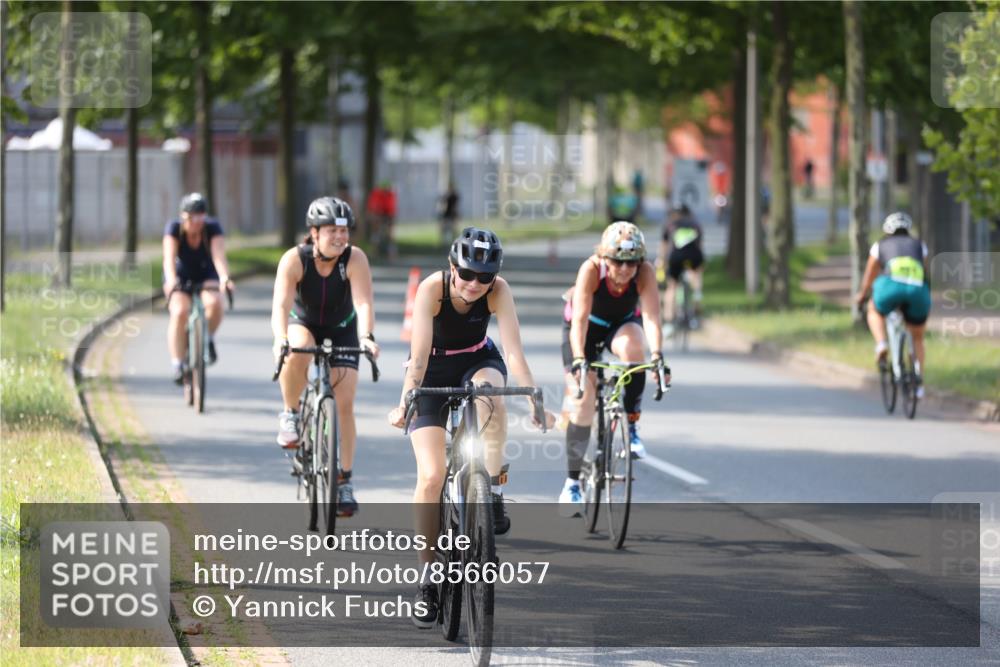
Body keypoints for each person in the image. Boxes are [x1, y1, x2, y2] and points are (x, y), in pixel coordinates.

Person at [386, 227, 553, 627]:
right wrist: (406, 398)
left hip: (478, 361)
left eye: (485, 276)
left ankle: (490, 487)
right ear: (451, 266)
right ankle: (428, 578)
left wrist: (533, 397)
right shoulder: (431, 290)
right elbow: (420, 358)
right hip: (431, 368)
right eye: (467, 274)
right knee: (431, 475)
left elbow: (513, 351)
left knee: (490, 395)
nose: (475, 284)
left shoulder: (498, 290)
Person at [271, 196, 379, 516]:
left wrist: (367, 337)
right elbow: (280, 305)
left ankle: (343, 479)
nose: (340, 238)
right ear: (314, 233)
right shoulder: (294, 259)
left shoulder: (354, 259)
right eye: (332, 230)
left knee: (344, 403)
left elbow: (363, 303)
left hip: (343, 329)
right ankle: (291, 413)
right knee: (297, 347)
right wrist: (280, 338)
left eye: (344, 231)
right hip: (303, 323)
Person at [558, 221, 667, 517]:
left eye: (632, 262)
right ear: (605, 258)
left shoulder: (644, 273)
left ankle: (631, 426)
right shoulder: (591, 270)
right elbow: (579, 320)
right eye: (618, 261)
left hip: (619, 326)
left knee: (635, 350)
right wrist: (580, 359)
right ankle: (572, 483)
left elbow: (653, 318)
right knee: (583, 401)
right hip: (583, 330)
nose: (624, 269)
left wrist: (657, 355)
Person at [854, 211, 931, 398]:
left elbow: (870, 273)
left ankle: (881, 344)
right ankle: (918, 379)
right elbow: (926, 271)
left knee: (874, 310)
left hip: (890, 287)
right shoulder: (920, 245)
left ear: (887, 230)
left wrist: (862, 295)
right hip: (917, 290)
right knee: (918, 336)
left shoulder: (880, 245)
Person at [162, 193, 233, 384]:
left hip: (205, 273)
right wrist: (171, 280)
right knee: (179, 311)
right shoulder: (174, 229)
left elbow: (218, 255)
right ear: (184, 216)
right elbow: (168, 259)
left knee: (216, 303)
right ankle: (177, 363)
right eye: (194, 217)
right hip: (181, 275)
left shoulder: (212, 228)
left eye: (202, 216)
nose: (198, 221)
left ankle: (206, 337)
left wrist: (225, 277)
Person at [657, 204, 705, 333]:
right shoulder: (695, 224)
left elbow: (664, 246)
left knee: (672, 286)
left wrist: (661, 261)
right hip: (694, 256)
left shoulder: (669, 224)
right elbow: (699, 245)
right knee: (696, 274)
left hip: (676, 257)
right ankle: (697, 297)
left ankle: (668, 323)